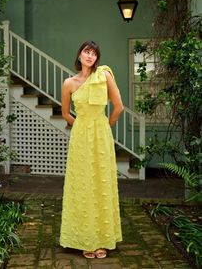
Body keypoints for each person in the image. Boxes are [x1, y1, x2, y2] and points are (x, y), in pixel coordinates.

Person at [60, 40, 124, 259]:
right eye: (87, 52)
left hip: (101, 134)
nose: (90, 56)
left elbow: (119, 107)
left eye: (94, 53)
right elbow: (66, 113)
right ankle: (84, 239)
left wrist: (106, 127)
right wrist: (79, 126)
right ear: (79, 55)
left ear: (97, 58)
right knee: (82, 184)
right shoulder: (68, 82)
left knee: (101, 183)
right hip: (80, 137)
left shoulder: (104, 76)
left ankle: (103, 240)